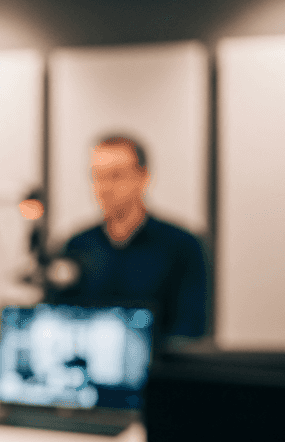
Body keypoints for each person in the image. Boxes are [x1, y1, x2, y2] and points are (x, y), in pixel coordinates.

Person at [54, 135, 208, 348]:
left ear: (143, 177)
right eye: (97, 176)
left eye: (116, 176)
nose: (104, 187)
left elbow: (189, 330)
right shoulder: (76, 246)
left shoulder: (182, 247)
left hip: (160, 366)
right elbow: (61, 318)